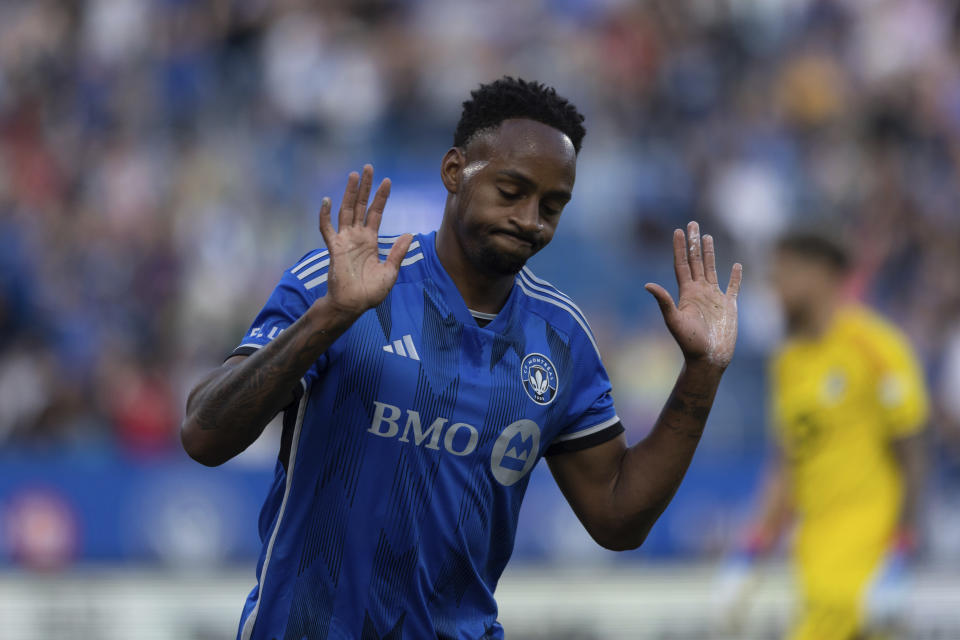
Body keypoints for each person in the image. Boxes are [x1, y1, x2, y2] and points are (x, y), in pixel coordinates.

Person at [180, 77, 742, 640]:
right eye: (511, 191)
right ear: (455, 172)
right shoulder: (339, 284)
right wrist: (330, 316)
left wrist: (703, 372)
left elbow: (618, 518)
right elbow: (203, 436)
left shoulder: (562, 338)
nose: (530, 220)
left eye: (552, 205)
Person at [742, 232, 928, 640]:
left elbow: (911, 453)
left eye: (786, 271)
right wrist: (749, 551)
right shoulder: (788, 362)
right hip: (813, 558)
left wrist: (901, 553)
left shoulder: (875, 347)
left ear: (823, 275)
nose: (775, 284)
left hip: (862, 562)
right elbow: (787, 462)